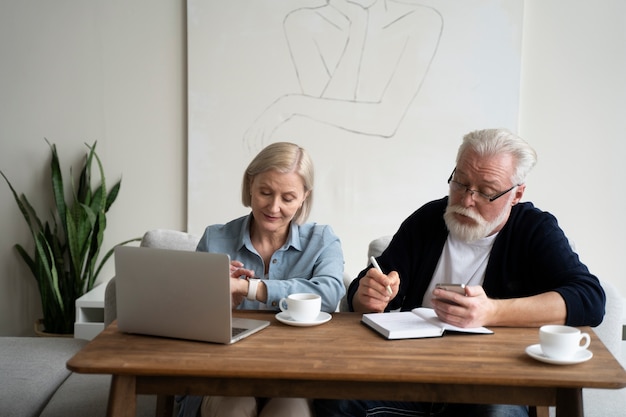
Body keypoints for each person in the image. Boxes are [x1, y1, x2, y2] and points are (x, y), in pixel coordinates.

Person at [314, 128, 605, 417]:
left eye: (486, 192)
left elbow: (589, 299)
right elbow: (372, 285)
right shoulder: (429, 220)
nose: (467, 200)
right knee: (336, 399)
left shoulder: (534, 231)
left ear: (516, 194)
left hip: (494, 383)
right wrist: (367, 296)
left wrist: (491, 312)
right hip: (413, 377)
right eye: (460, 183)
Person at [178, 141, 346, 417]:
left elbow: (328, 295)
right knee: (235, 407)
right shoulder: (215, 239)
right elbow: (187, 319)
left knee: (290, 412)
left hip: (296, 377)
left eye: (288, 198)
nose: (274, 207)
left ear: (305, 196)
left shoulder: (322, 240)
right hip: (224, 376)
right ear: (249, 186)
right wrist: (223, 304)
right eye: (265, 192)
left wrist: (250, 288)